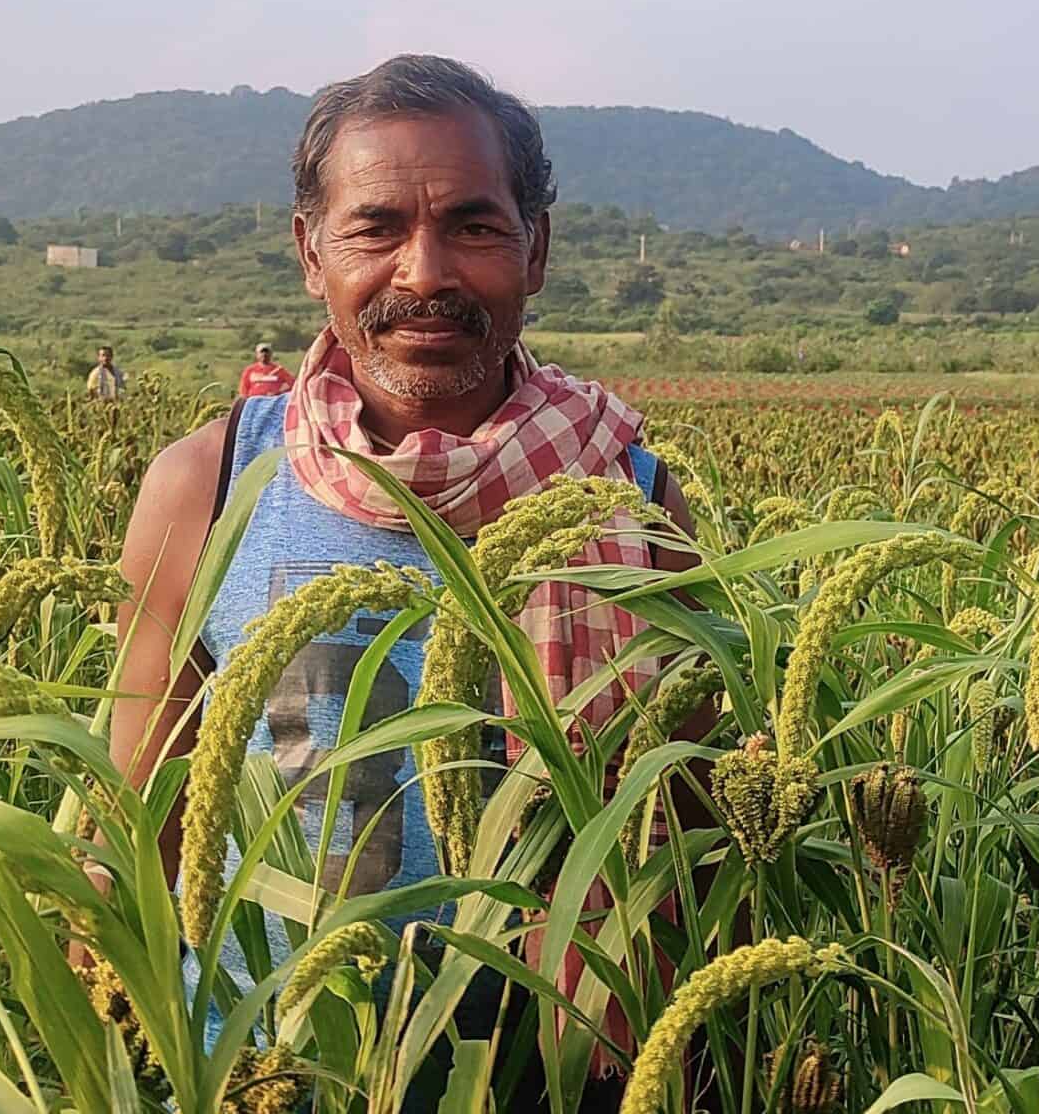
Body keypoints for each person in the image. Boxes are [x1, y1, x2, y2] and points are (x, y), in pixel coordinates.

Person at [107, 55, 701, 1112]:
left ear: (536, 250)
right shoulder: (208, 487)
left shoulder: (635, 503)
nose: (422, 272)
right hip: (270, 1065)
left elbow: (691, 846)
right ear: (309, 253)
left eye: (472, 227)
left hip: (552, 1075)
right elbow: (139, 820)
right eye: (374, 228)